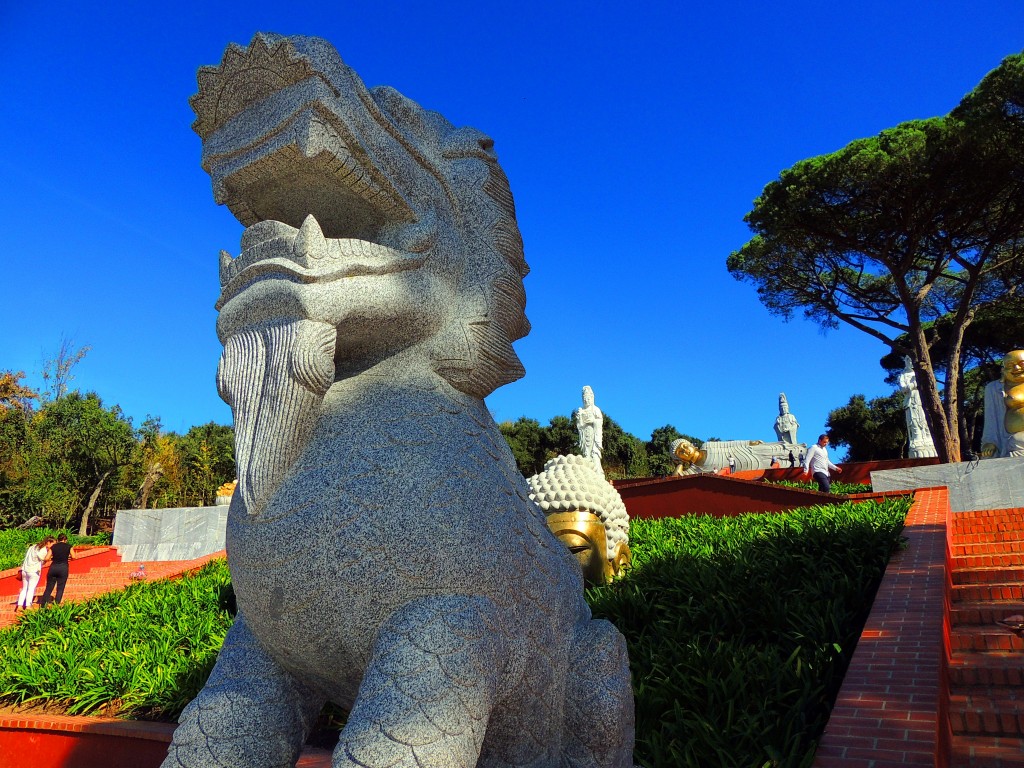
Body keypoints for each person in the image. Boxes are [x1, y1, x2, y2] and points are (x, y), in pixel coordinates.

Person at [16, 536, 54, 611]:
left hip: (25, 570)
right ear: (48, 543)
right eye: (53, 544)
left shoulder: (32, 547)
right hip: (34, 571)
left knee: (24, 588)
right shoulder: (43, 550)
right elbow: (43, 559)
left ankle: (19, 606)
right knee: (31, 589)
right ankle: (28, 606)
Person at [575, 386, 604, 475]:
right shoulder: (582, 410)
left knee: (594, 456)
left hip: (594, 436)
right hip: (585, 436)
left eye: (588, 398)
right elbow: (580, 426)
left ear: (592, 398)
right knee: (586, 456)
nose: (586, 400)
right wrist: (579, 418)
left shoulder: (595, 409)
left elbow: (600, 421)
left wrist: (593, 421)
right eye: (584, 398)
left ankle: (598, 475)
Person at [40, 533, 75, 607]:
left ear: (58, 539)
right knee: (60, 588)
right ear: (65, 540)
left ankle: (43, 604)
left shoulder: (53, 547)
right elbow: (74, 556)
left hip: (53, 567)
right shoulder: (69, 546)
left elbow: (46, 558)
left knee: (49, 587)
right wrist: (68, 557)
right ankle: (56, 604)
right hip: (63, 568)